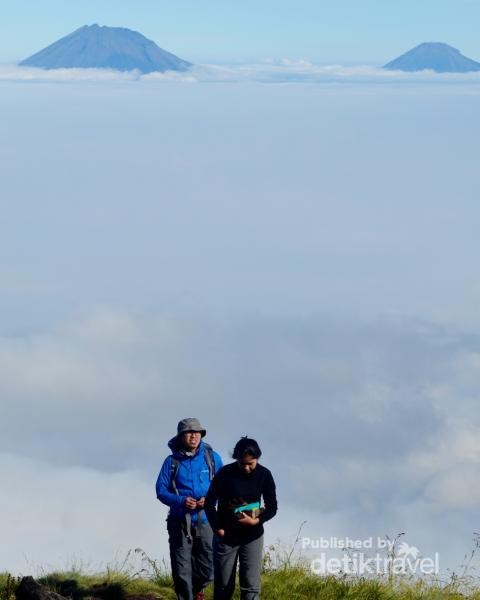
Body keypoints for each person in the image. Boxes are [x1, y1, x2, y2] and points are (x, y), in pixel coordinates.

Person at [156, 418, 223, 600]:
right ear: (180, 436)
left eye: (197, 432)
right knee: (181, 570)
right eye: (189, 432)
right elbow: (161, 491)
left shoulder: (212, 458)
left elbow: (223, 486)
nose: (194, 435)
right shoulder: (171, 462)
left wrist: (209, 500)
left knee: (208, 569)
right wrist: (181, 501)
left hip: (207, 520)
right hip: (179, 522)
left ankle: (197, 590)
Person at [205, 437, 277, 600]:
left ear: (257, 458)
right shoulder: (224, 474)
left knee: (251, 586)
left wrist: (257, 520)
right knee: (223, 586)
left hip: (252, 536)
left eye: (250, 463)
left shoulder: (264, 475)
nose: (246, 468)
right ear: (236, 458)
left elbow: (272, 507)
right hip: (226, 537)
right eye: (241, 463)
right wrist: (218, 529)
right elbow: (209, 503)